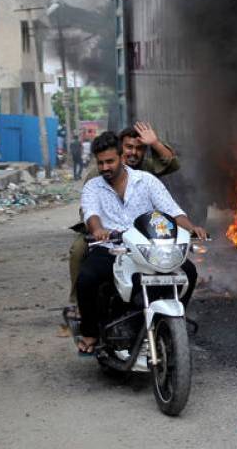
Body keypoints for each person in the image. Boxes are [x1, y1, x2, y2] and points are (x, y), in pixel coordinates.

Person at [75, 132, 206, 353]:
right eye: (101, 163)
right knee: (86, 279)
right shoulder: (93, 187)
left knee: (189, 273)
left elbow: (172, 211)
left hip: (149, 251)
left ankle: (174, 324)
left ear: (121, 157)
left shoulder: (146, 181)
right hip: (113, 250)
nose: (105, 167)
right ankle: (90, 333)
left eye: (110, 161)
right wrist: (98, 230)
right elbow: (91, 214)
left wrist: (191, 227)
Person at [67, 122, 180, 307]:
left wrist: (155, 143)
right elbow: (88, 208)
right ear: (119, 149)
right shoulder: (99, 173)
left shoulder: (145, 170)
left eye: (139, 148)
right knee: (79, 251)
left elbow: (172, 164)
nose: (133, 153)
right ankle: (77, 304)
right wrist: (97, 228)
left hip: (143, 232)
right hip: (108, 233)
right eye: (129, 147)